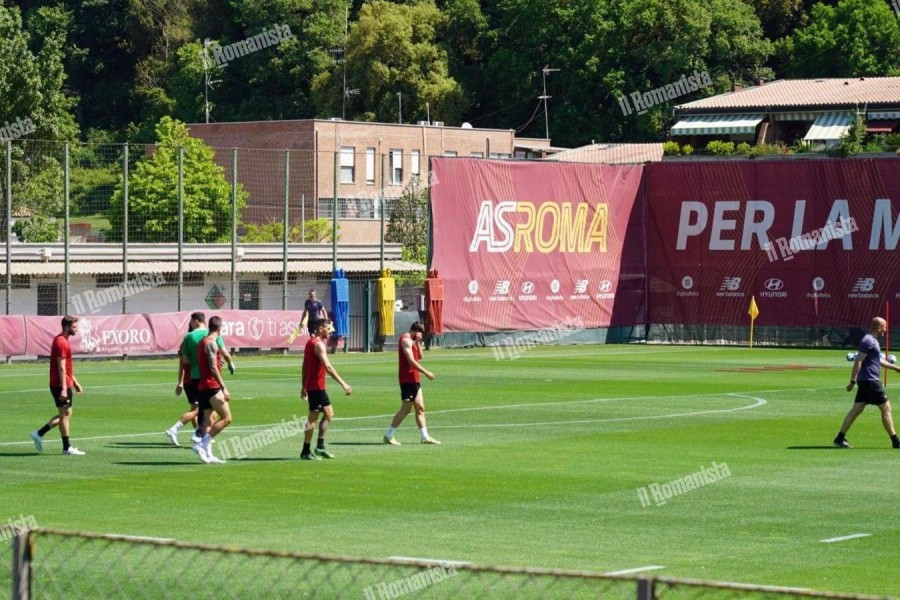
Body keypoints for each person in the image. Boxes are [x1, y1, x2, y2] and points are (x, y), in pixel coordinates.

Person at [165, 312, 234, 446]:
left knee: (204, 411)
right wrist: (229, 364)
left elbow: (184, 360)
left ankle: (200, 436)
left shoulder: (189, 337)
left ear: (196, 321)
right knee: (204, 411)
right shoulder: (211, 337)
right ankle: (182, 431)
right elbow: (224, 354)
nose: (190, 324)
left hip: (192, 378)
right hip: (207, 379)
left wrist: (180, 381)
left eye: (190, 321)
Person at [834, 316, 900, 449]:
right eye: (885, 327)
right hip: (871, 381)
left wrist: (896, 368)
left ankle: (839, 438)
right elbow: (858, 360)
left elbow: (878, 360)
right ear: (879, 327)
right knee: (885, 408)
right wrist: (852, 381)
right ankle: (896, 441)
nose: (886, 330)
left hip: (866, 382)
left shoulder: (872, 341)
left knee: (857, 409)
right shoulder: (868, 341)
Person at [31, 316, 85, 455]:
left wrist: (75, 382)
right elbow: (61, 367)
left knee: (66, 414)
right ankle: (66, 447)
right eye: (74, 327)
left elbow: (65, 367)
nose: (76, 329)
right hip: (60, 385)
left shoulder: (62, 340)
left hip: (64, 383)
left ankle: (39, 433)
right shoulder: (61, 342)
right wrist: (64, 389)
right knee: (65, 415)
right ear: (66, 327)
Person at [300, 318, 351, 460]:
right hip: (316, 387)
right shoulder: (318, 345)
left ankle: (320, 447)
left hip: (315, 386)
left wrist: (303, 385)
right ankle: (306, 450)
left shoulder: (311, 343)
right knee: (312, 419)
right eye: (329, 329)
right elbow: (328, 367)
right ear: (321, 329)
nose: (331, 332)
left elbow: (305, 365)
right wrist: (343, 384)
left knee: (329, 414)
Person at [383, 321, 440, 445]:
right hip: (407, 379)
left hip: (415, 379)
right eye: (420, 334)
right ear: (415, 331)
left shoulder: (414, 341)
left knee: (420, 408)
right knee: (406, 409)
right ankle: (389, 435)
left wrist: (419, 342)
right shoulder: (406, 341)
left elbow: (420, 356)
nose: (420, 336)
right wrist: (426, 372)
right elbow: (411, 361)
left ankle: (425, 437)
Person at [195, 316, 232, 463]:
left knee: (209, 421)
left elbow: (206, 362)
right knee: (227, 418)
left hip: (202, 386)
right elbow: (212, 368)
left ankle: (208, 455)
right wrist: (224, 387)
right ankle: (202, 443)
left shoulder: (202, 341)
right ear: (218, 328)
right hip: (211, 386)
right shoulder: (212, 343)